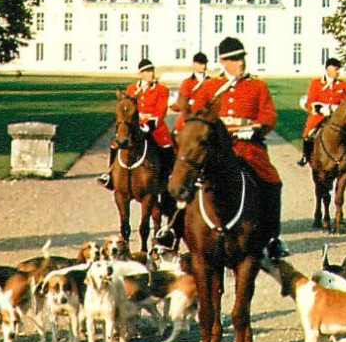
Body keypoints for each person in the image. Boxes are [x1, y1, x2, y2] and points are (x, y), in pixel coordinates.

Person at [157, 37, 289, 261]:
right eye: (235, 59)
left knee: (272, 180)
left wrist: (256, 130)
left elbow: (268, 116)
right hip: (214, 149)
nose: (241, 63)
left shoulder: (258, 86)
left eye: (242, 58)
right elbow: (195, 117)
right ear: (223, 61)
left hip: (246, 147)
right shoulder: (210, 87)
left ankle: (271, 237)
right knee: (182, 176)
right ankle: (172, 230)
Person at [97, 57, 174, 190]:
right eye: (148, 71)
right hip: (134, 125)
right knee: (115, 144)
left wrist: (149, 123)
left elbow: (161, 111)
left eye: (152, 70)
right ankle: (110, 174)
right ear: (141, 74)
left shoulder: (161, 89)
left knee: (166, 146)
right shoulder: (131, 89)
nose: (151, 74)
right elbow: (127, 109)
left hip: (154, 126)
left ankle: (167, 176)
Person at [296, 56, 346, 167]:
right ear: (327, 70)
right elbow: (310, 101)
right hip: (320, 115)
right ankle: (305, 155)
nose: (338, 72)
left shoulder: (343, 84)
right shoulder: (316, 83)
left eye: (338, 69)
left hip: (338, 116)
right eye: (335, 69)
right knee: (309, 132)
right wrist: (321, 109)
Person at [171, 51, 208, 134]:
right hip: (190, 114)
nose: (204, 66)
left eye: (205, 63)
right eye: (201, 63)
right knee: (177, 131)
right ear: (194, 64)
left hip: (206, 115)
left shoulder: (210, 81)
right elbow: (183, 102)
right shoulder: (187, 82)